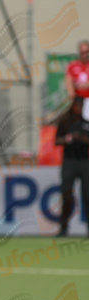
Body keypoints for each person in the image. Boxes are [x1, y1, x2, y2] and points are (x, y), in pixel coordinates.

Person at [55, 97, 89, 237]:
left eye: (81, 106)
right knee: (67, 195)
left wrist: (81, 138)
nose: (78, 108)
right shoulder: (65, 122)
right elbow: (57, 141)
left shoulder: (86, 123)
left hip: (85, 162)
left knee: (87, 196)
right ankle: (63, 228)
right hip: (69, 161)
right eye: (76, 105)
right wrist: (70, 138)